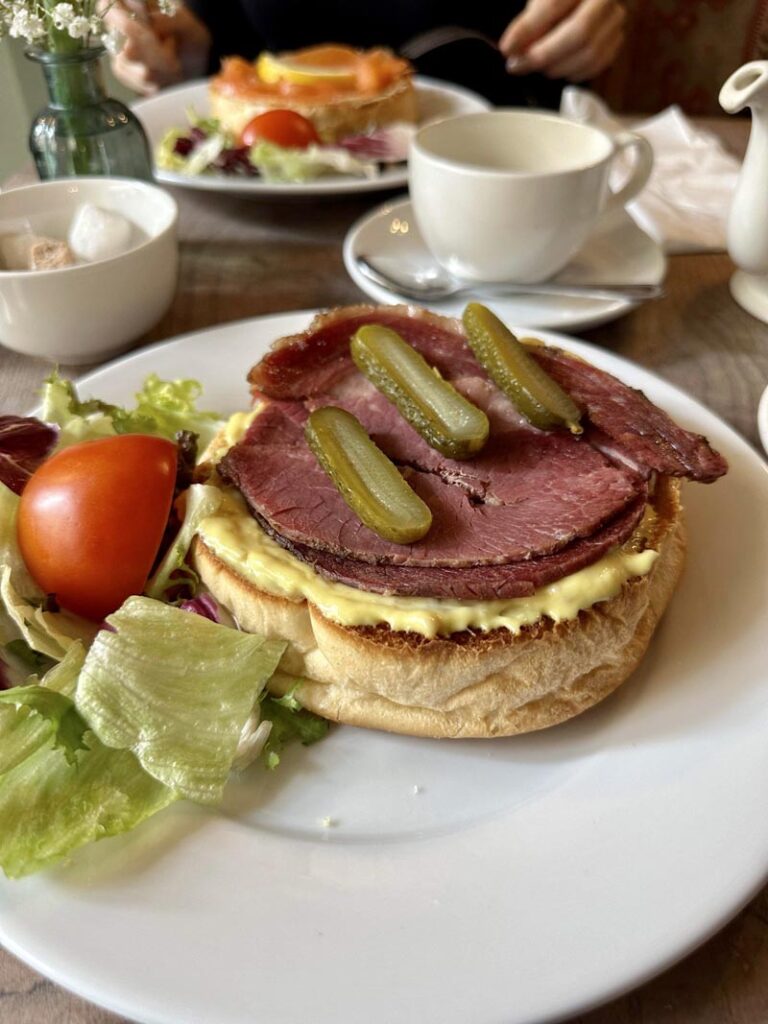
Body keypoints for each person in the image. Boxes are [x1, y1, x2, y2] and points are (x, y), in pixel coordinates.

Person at [106, 0, 625, 109]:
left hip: (511, 152)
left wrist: (601, 12)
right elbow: (216, 31)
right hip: (271, 212)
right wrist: (188, 55)